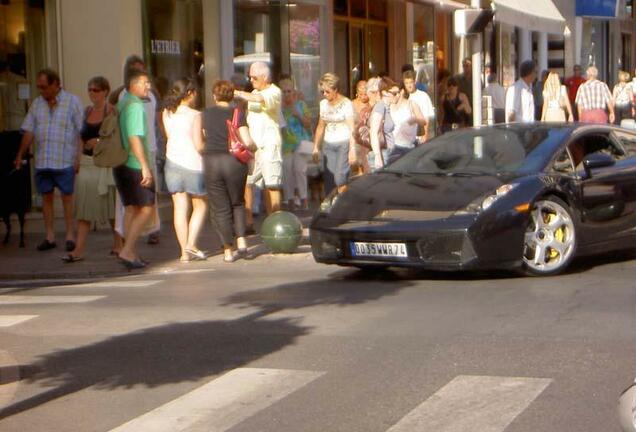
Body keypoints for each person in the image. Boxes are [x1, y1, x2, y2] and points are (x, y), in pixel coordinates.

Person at [14, 68, 83, 252]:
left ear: (55, 84)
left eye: (44, 87)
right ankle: (50, 236)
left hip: (64, 159)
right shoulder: (37, 104)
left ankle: (69, 235)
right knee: (46, 198)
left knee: (67, 198)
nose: (41, 91)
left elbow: (81, 132)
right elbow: (29, 130)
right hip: (44, 160)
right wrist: (20, 154)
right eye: (39, 88)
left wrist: (78, 157)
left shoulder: (72, 102)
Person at [62, 77, 118, 263]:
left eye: (96, 90)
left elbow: (117, 137)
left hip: (103, 163)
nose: (92, 93)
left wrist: (100, 142)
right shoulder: (87, 111)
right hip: (86, 162)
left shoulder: (111, 111)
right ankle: (78, 249)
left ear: (105, 91)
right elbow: (80, 136)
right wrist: (77, 157)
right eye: (90, 90)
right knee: (84, 208)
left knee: (109, 206)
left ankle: (119, 242)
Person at [110, 55, 162, 246]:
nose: (147, 85)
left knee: (131, 208)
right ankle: (127, 249)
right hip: (134, 160)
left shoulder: (128, 101)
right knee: (145, 207)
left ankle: (128, 248)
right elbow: (134, 137)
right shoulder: (132, 103)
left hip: (129, 159)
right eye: (143, 82)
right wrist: (144, 166)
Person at [203, 80, 255, 263]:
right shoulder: (237, 113)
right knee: (238, 203)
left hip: (212, 162)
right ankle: (242, 242)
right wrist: (254, 148)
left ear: (214, 96)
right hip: (234, 162)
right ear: (232, 95)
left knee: (220, 208)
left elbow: (202, 138)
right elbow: (247, 141)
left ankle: (227, 251)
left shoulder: (205, 114)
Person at [162, 78, 207, 263]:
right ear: (189, 93)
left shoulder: (167, 112)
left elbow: (168, 136)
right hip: (193, 163)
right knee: (200, 205)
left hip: (172, 162)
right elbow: (198, 145)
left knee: (179, 208)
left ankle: (183, 253)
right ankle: (191, 243)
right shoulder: (195, 114)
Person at [234, 62, 283, 215]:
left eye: (254, 77)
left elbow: (260, 99)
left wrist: (238, 93)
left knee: (272, 184)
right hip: (253, 146)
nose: (251, 81)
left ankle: (275, 221)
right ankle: (248, 221)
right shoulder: (253, 92)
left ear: (265, 77)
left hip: (269, 144)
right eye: (249, 78)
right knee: (248, 182)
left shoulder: (274, 91)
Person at [313, 73, 355, 194]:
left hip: (344, 142)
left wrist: (352, 150)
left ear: (335, 89)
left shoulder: (346, 104)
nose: (325, 94)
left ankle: (342, 202)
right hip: (328, 143)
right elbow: (321, 126)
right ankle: (330, 206)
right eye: (322, 92)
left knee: (340, 178)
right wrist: (316, 147)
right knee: (330, 179)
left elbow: (351, 128)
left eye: (327, 91)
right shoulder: (323, 104)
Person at [280, 77, 311, 211]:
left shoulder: (301, 105)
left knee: (300, 170)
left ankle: (304, 199)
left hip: (300, 142)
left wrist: (297, 114)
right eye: (284, 91)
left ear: (294, 92)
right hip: (285, 144)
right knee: (287, 172)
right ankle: (290, 199)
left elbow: (308, 124)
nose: (286, 94)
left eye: (289, 91)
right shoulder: (279, 108)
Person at [388, 85, 427, 164]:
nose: (393, 96)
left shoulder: (411, 104)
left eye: (395, 93)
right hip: (393, 146)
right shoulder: (390, 105)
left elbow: (423, 121)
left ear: (401, 92)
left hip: (408, 146)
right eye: (391, 93)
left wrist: (414, 120)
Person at [368, 77, 399, 170]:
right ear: (384, 93)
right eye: (394, 93)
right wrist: (378, 157)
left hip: (388, 153)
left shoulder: (386, 107)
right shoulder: (380, 106)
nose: (398, 95)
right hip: (383, 154)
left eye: (398, 92)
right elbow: (373, 132)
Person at [402, 70, 434, 142]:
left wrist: (425, 136)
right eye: (406, 83)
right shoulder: (402, 97)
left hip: (419, 135)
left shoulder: (423, 96)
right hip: (405, 137)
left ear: (415, 82)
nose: (409, 85)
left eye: (411, 82)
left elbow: (426, 118)